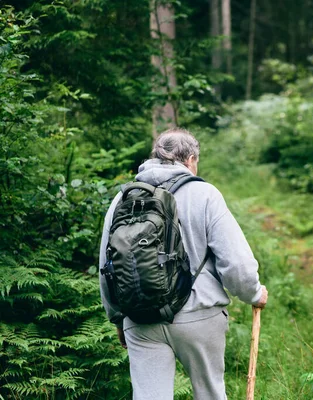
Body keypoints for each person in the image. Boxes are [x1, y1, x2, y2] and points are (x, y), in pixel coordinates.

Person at [99, 127, 268, 400]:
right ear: (190, 159)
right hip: (199, 316)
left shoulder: (123, 198)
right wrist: (254, 293)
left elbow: (107, 267)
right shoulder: (205, 194)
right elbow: (236, 263)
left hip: (140, 318)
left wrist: (118, 317)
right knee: (210, 394)